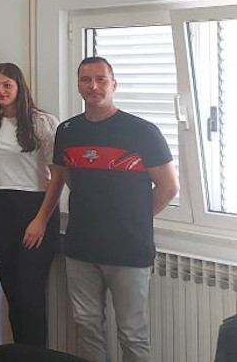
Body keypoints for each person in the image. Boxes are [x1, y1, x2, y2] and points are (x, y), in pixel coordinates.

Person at [27, 56, 178, 362]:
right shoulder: (67, 131)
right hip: (81, 248)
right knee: (87, 326)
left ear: (113, 84)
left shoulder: (142, 132)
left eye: (101, 80)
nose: (93, 86)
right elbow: (66, 177)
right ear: (78, 85)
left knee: (132, 333)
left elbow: (168, 186)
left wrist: (135, 219)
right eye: (86, 80)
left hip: (129, 249)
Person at [0, 63, 59, 347]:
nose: (1, 91)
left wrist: (41, 220)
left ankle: (35, 354)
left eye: (7, 85)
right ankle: (19, 353)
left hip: (35, 209)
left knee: (30, 293)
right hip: (2, 209)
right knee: (12, 292)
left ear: (19, 87)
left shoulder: (42, 122)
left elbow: (58, 177)